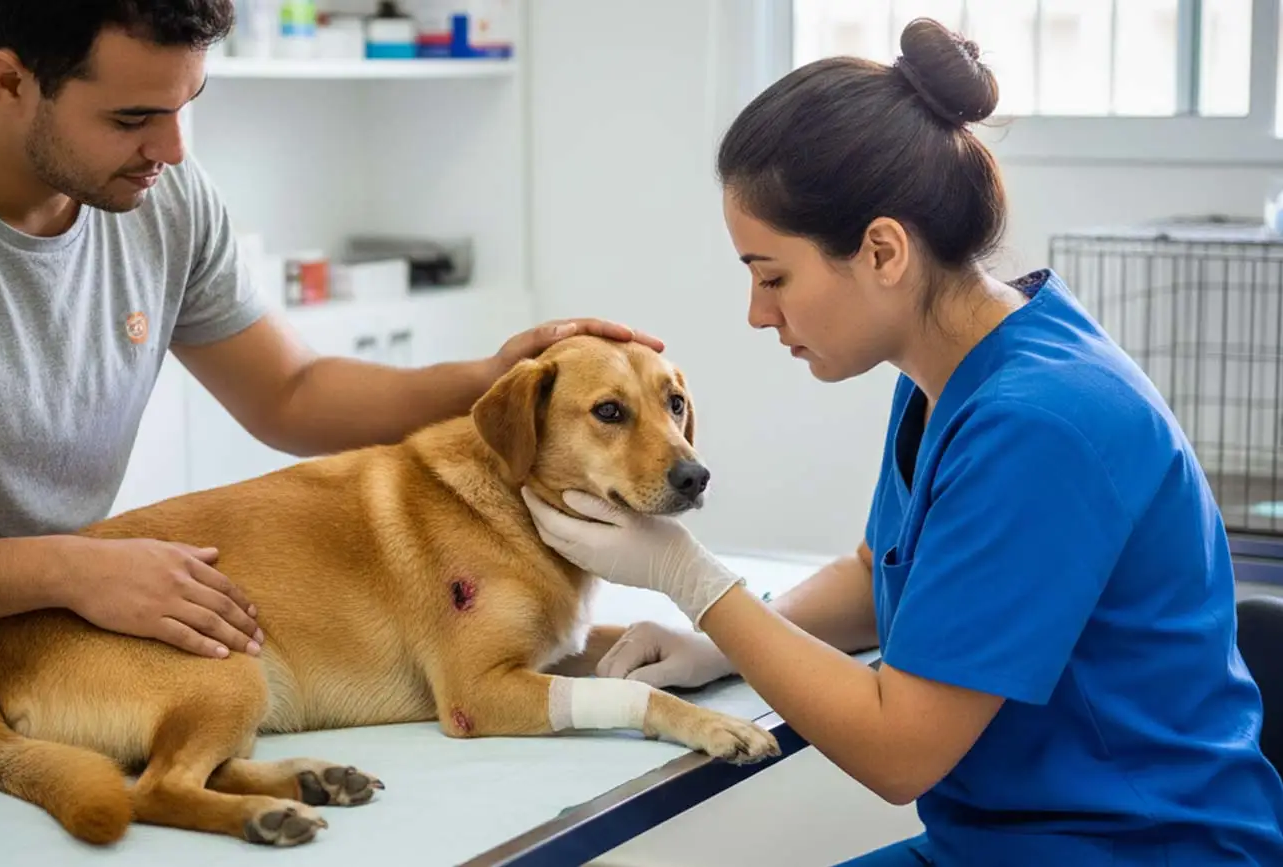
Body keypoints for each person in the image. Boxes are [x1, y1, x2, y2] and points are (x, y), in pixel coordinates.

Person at [523, 17, 1283, 867]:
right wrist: (720, 642)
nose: (758, 313)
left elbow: (898, 751)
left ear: (883, 249)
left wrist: (690, 579)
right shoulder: (952, 367)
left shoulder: (1040, 424)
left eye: (773, 276)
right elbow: (878, 569)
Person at [0, 1, 660, 662]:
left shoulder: (164, 199)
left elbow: (292, 390)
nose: (173, 148)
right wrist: (69, 569)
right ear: (8, 80)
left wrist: (493, 381)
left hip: (41, 636)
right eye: (132, 117)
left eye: (186, 104)